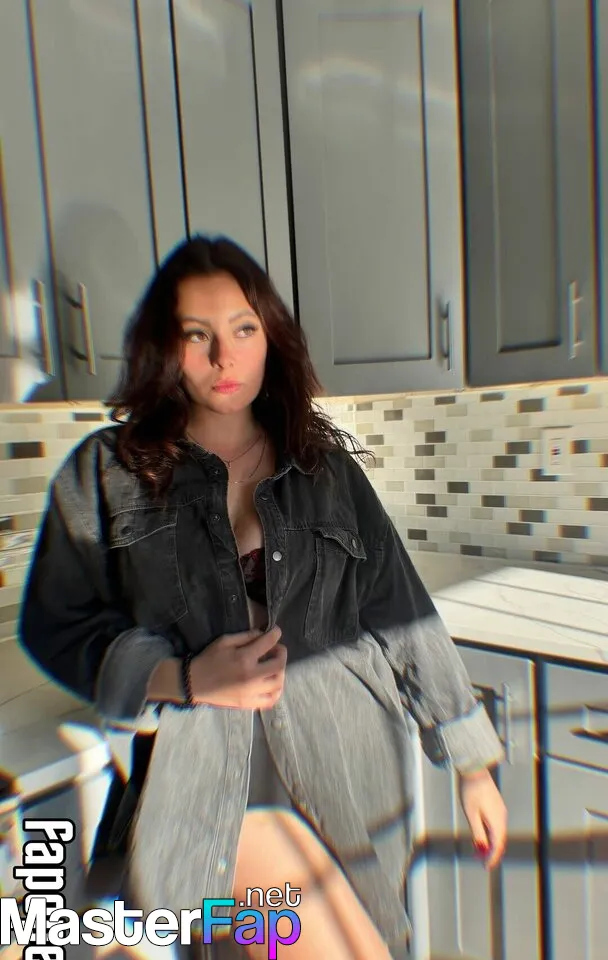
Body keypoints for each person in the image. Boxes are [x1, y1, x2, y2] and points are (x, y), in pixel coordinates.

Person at [19, 235, 507, 959]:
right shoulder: (108, 471)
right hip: (199, 784)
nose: (225, 357)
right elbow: (54, 624)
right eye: (198, 334)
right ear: (164, 347)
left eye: (244, 329)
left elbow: (401, 613)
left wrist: (471, 764)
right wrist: (181, 677)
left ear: (271, 337)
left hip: (345, 770)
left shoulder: (325, 468)